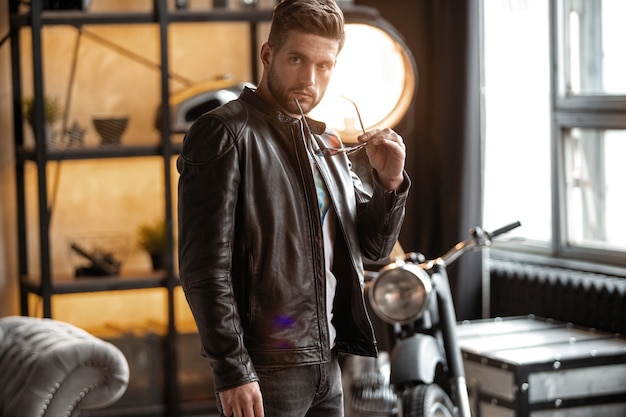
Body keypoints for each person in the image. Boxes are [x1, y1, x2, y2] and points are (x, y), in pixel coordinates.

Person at [177, 1, 410, 416]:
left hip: (329, 361)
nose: (309, 79)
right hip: (267, 367)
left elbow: (373, 248)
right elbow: (203, 269)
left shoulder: (327, 143)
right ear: (268, 55)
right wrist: (233, 371)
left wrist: (390, 183)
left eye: (324, 66)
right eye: (297, 59)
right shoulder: (224, 132)